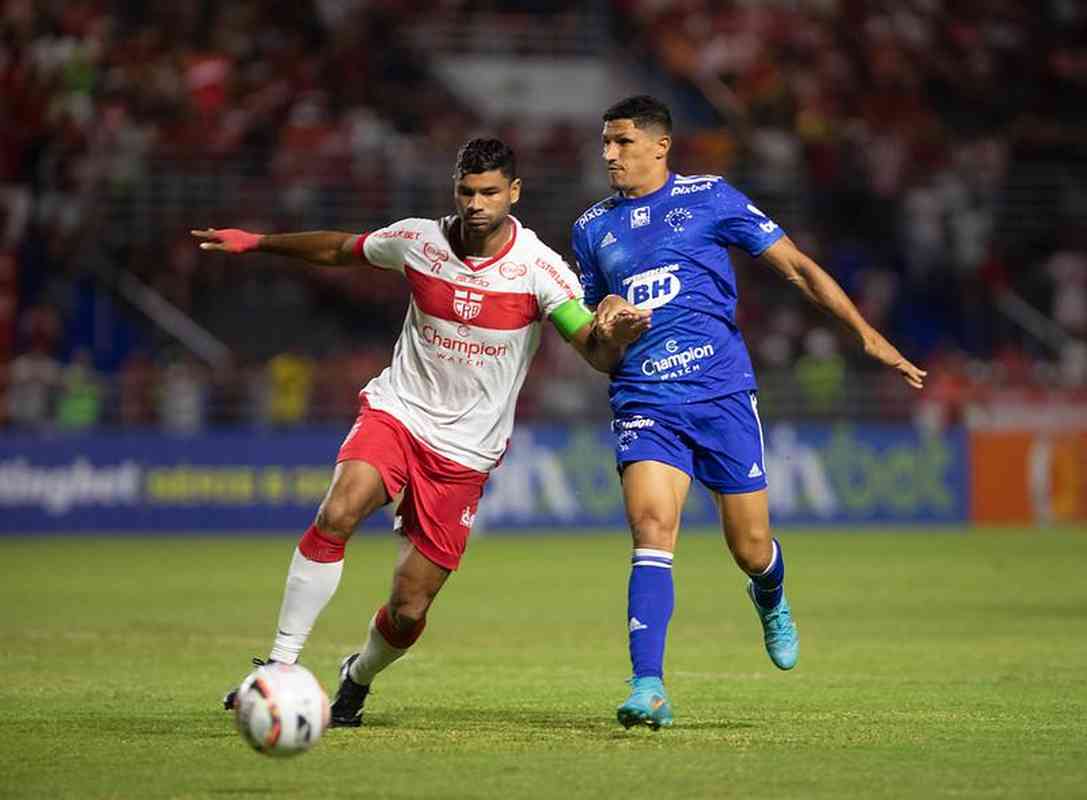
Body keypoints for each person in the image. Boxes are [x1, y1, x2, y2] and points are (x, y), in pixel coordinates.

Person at [193, 138, 649, 726]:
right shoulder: (419, 240)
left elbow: (592, 350)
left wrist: (617, 336)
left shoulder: (539, 269)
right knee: (337, 513)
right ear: (454, 189)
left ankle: (356, 678)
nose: (477, 203)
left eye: (490, 192)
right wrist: (259, 242)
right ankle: (278, 666)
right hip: (399, 411)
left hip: (465, 453)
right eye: (467, 191)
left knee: (408, 609)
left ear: (514, 193)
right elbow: (339, 250)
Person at [571, 96, 926, 730]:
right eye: (605, 143)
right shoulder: (591, 228)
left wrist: (863, 333)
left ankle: (770, 593)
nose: (608, 155)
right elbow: (596, 350)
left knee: (751, 545)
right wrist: (612, 330)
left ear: (660, 145)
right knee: (652, 529)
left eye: (621, 142)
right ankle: (648, 685)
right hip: (646, 400)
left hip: (721, 395)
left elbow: (794, 268)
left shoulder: (711, 197)